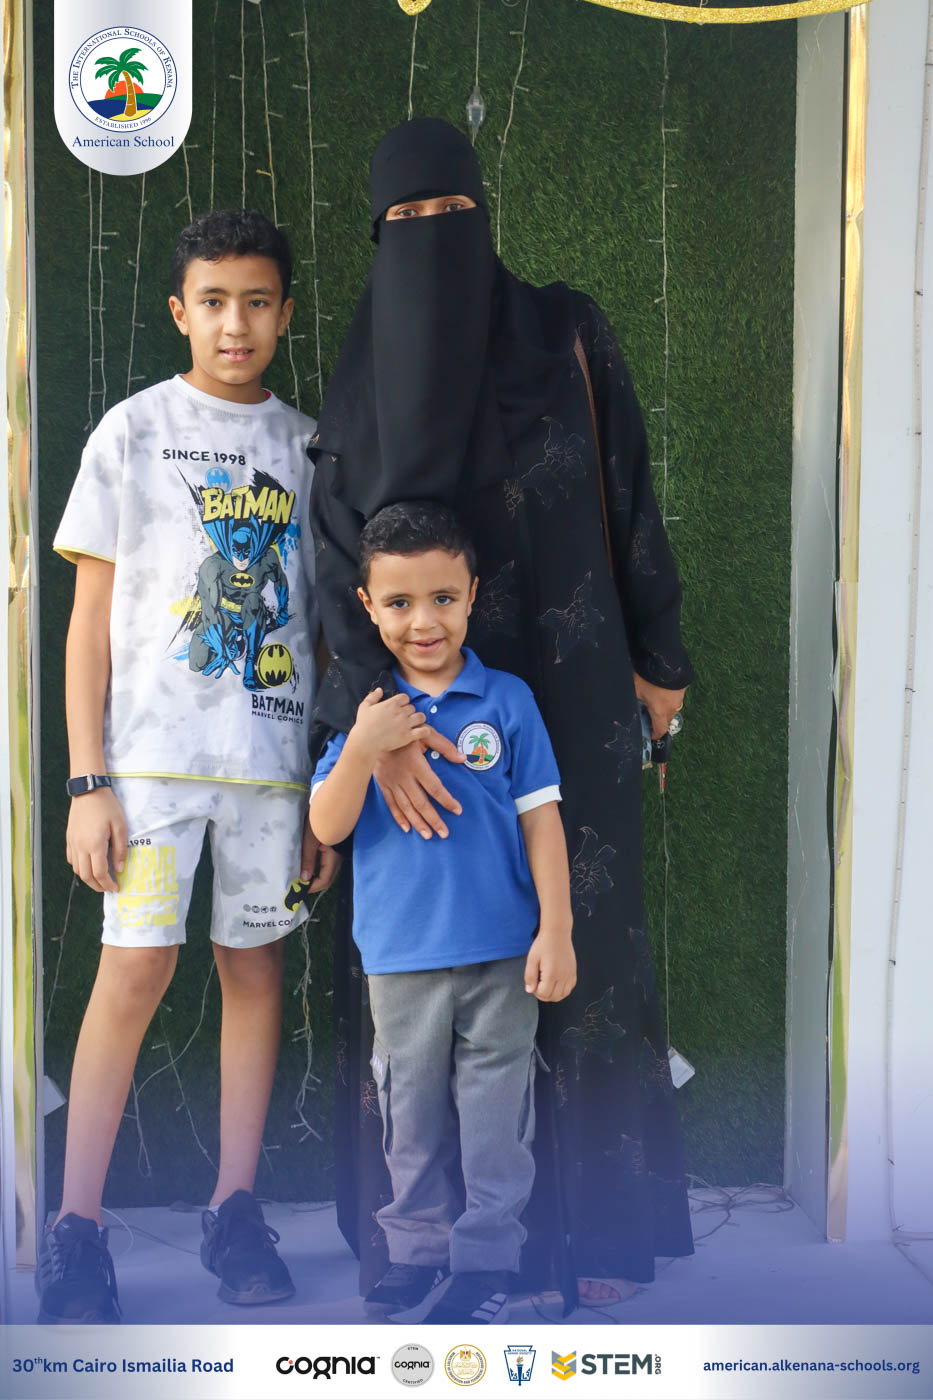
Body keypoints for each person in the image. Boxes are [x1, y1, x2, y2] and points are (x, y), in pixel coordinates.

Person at [309, 118, 695, 1311]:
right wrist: (373, 730)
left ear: (484, 216)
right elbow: (332, 575)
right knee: (427, 1000)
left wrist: (659, 660)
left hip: (569, 700)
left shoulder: (565, 333)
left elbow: (628, 490)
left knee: (582, 957)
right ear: (380, 238)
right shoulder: (359, 386)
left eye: (451, 214)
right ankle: (424, 1246)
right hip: (419, 733)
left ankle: (594, 1234)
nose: (433, 238)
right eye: (407, 222)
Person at [38, 209, 338, 1324]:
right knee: (134, 971)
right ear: (180, 311)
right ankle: (76, 1229)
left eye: (257, 302)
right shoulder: (131, 431)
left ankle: (235, 1207)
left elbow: (325, 630)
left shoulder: (312, 450)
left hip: (271, 774)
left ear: (286, 314)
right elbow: (88, 624)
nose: (235, 324)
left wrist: (321, 790)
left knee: (254, 972)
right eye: (213, 301)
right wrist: (87, 780)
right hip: (150, 776)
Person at [309, 501, 575, 1325]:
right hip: (399, 960)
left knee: (496, 1123)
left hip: (503, 956)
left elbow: (541, 818)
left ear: (472, 595)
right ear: (367, 606)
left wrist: (556, 930)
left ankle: (486, 1263)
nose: (422, 622)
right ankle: (415, 1254)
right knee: (410, 1119)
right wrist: (363, 745)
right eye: (398, 603)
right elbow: (327, 825)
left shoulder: (507, 701)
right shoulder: (364, 714)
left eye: (442, 599)